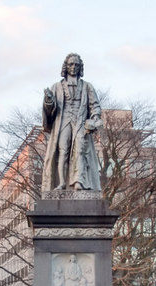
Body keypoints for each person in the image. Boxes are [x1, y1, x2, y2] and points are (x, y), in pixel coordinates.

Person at [42, 53, 102, 192]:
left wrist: (95, 117)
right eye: (71, 64)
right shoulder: (57, 86)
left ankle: (78, 182)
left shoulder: (87, 86)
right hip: (63, 121)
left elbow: (94, 105)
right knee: (63, 151)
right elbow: (50, 109)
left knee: (80, 150)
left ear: (80, 67)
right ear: (66, 66)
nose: (73, 67)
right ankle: (62, 183)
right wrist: (49, 100)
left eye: (76, 65)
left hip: (80, 121)